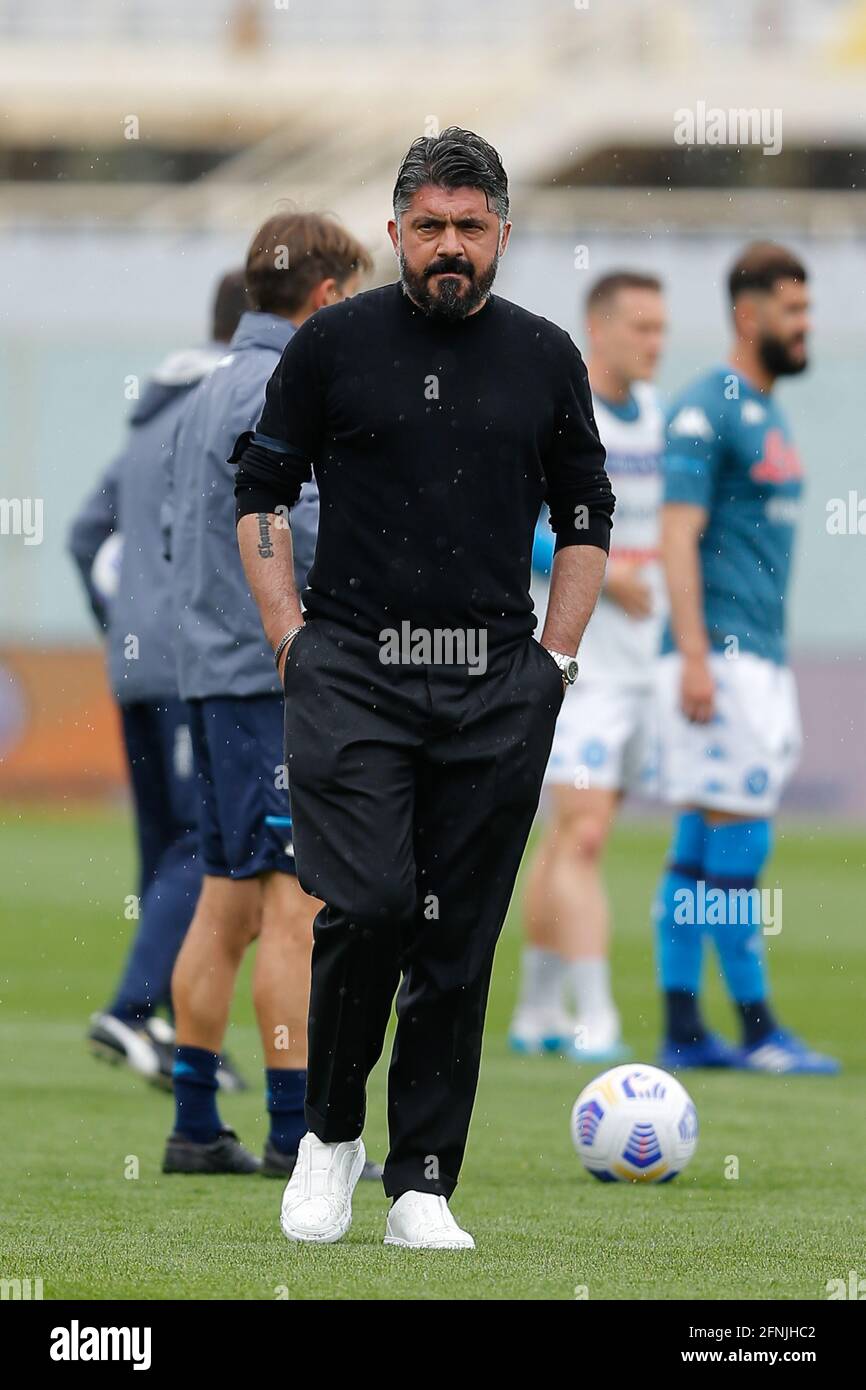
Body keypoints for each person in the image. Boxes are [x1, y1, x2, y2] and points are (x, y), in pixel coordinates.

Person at [233, 127, 615, 1248]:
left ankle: (422, 1184)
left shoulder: (545, 356)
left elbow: (585, 511)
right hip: (350, 668)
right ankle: (328, 1136)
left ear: (502, 233)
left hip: (497, 678)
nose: (450, 245)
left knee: (457, 938)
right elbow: (259, 491)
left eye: (470, 226)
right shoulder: (332, 346)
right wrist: (288, 641)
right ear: (394, 230)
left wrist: (555, 660)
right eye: (429, 226)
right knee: (370, 907)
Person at [161, 211, 384, 1176]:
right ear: (327, 296)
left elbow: (180, 537)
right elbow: (308, 533)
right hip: (271, 682)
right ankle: (296, 1134)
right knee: (296, 909)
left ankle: (195, 1124)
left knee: (224, 903)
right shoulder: (286, 384)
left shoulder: (205, 390)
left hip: (211, 681)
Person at [655, 241, 839, 1075]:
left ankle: (686, 1030)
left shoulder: (767, 409)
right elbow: (676, 536)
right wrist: (695, 655)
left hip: (757, 656)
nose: (805, 326)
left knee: (704, 835)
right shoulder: (706, 407)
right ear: (748, 313)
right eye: (792, 311)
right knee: (739, 840)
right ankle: (756, 1028)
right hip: (719, 657)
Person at [67, 271, 248, 1089]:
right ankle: (133, 1009)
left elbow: (82, 533)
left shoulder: (151, 414)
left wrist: (124, 621)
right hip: (196, 658)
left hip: (137, 663)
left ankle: (178, 1033)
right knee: (202, 843)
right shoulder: (229, 407)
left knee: (164, 849)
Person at [511, 271, 667, 1063]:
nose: (655, 342)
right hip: (580, 667)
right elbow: (524, 526)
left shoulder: (657, 419)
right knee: (583, 837)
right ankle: (594, 1016)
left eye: (660, 327)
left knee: (566, 839)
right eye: (641, 327)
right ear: (598, 330)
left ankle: (535, 1008)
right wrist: (601, 566)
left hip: (641, 668)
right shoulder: (572, 418)